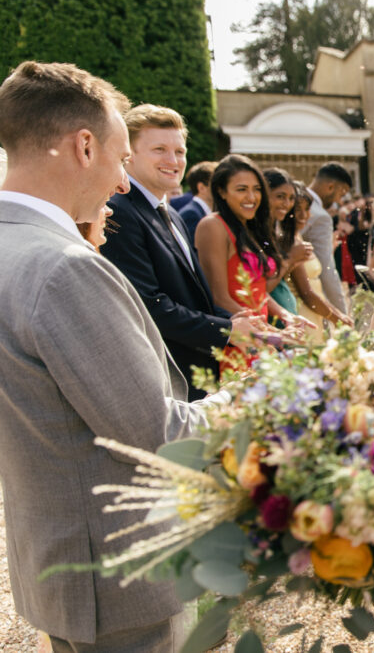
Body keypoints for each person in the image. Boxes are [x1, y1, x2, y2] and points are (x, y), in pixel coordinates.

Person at [0, 60, 216, 653]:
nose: (124, 184)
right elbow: (158, 433)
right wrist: (262, 399)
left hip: (57, 558)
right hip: (120, 578)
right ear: (84, 145)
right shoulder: (64, 268)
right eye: (124, 160)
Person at [100, 105, 248, 400]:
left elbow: (193, 296)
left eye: (179, 151)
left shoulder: (172, 214)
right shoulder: (118, 212)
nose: (173, 160)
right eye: (159, 149)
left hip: (196, 375)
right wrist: (228, 329)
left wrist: (240, 321)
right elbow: (147, 306)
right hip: (164, 381)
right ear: (129, 155)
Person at [194, 155, 306, 349]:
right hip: (237, 342)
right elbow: (218, 297)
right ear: (221, 191)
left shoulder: (247, 229)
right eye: (241, 190)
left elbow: (257, 290)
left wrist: (284, 314)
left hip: (260, 339)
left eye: (257, 189)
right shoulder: (213, 226)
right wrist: (271, 333)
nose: (252, 198)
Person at [289, 184, 345, 332]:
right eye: (297, 210)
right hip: (303, 313)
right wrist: (339, 318)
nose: (304, 215)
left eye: (307, 209)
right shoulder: (290, 243)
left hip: (316, 313)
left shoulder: (298, 237)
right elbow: (306, 293)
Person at [304, 162, 352, 313]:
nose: (339, 201)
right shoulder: (321, 216)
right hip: (307, 298)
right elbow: (327, 269)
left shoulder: (293, 198)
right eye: (341, 194)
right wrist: (342, 314)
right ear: (330, 187)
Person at [263, 167, 311, 316]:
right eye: (280, 196)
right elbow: (261, 289)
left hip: (286, 316)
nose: (286, 203)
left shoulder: (277, 233)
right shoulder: (254, 235)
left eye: (291, 198)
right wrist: (290, 259)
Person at [175, 160, 217, 244]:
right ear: (201, 188)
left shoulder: (201, 211)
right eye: (216, 184)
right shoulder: (191, 214)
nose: (221, 189)